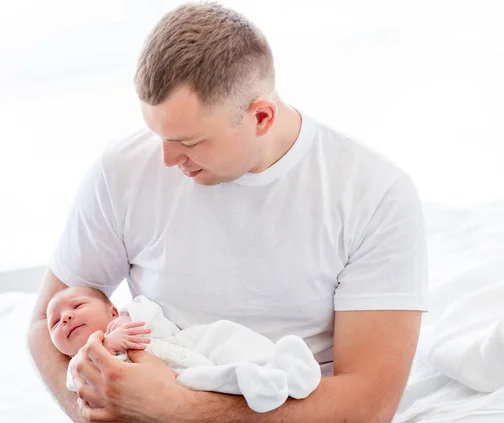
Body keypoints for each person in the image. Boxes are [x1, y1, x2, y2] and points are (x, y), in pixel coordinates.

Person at [28, 2, 428, 422]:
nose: (165, 159)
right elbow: (44, 320)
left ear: (261, 117)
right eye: (156, 133)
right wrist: (97, 408)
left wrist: (178, 410)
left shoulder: (375, 195)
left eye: (190, 141)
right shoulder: (122, 170)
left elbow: (370, 404)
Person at [47, 286, 322, 413]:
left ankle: (282, 365)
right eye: (55, 322)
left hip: (188, 344)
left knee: (224, 333)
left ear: (113, 309)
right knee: (210, 379)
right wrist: (106, 346)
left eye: (77, 306)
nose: (67, 317)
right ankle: (256, 382)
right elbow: (82, 386)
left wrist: (127, 320)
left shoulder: (132, 315)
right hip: (178, 378)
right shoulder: (78, 365)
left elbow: (151, 312)